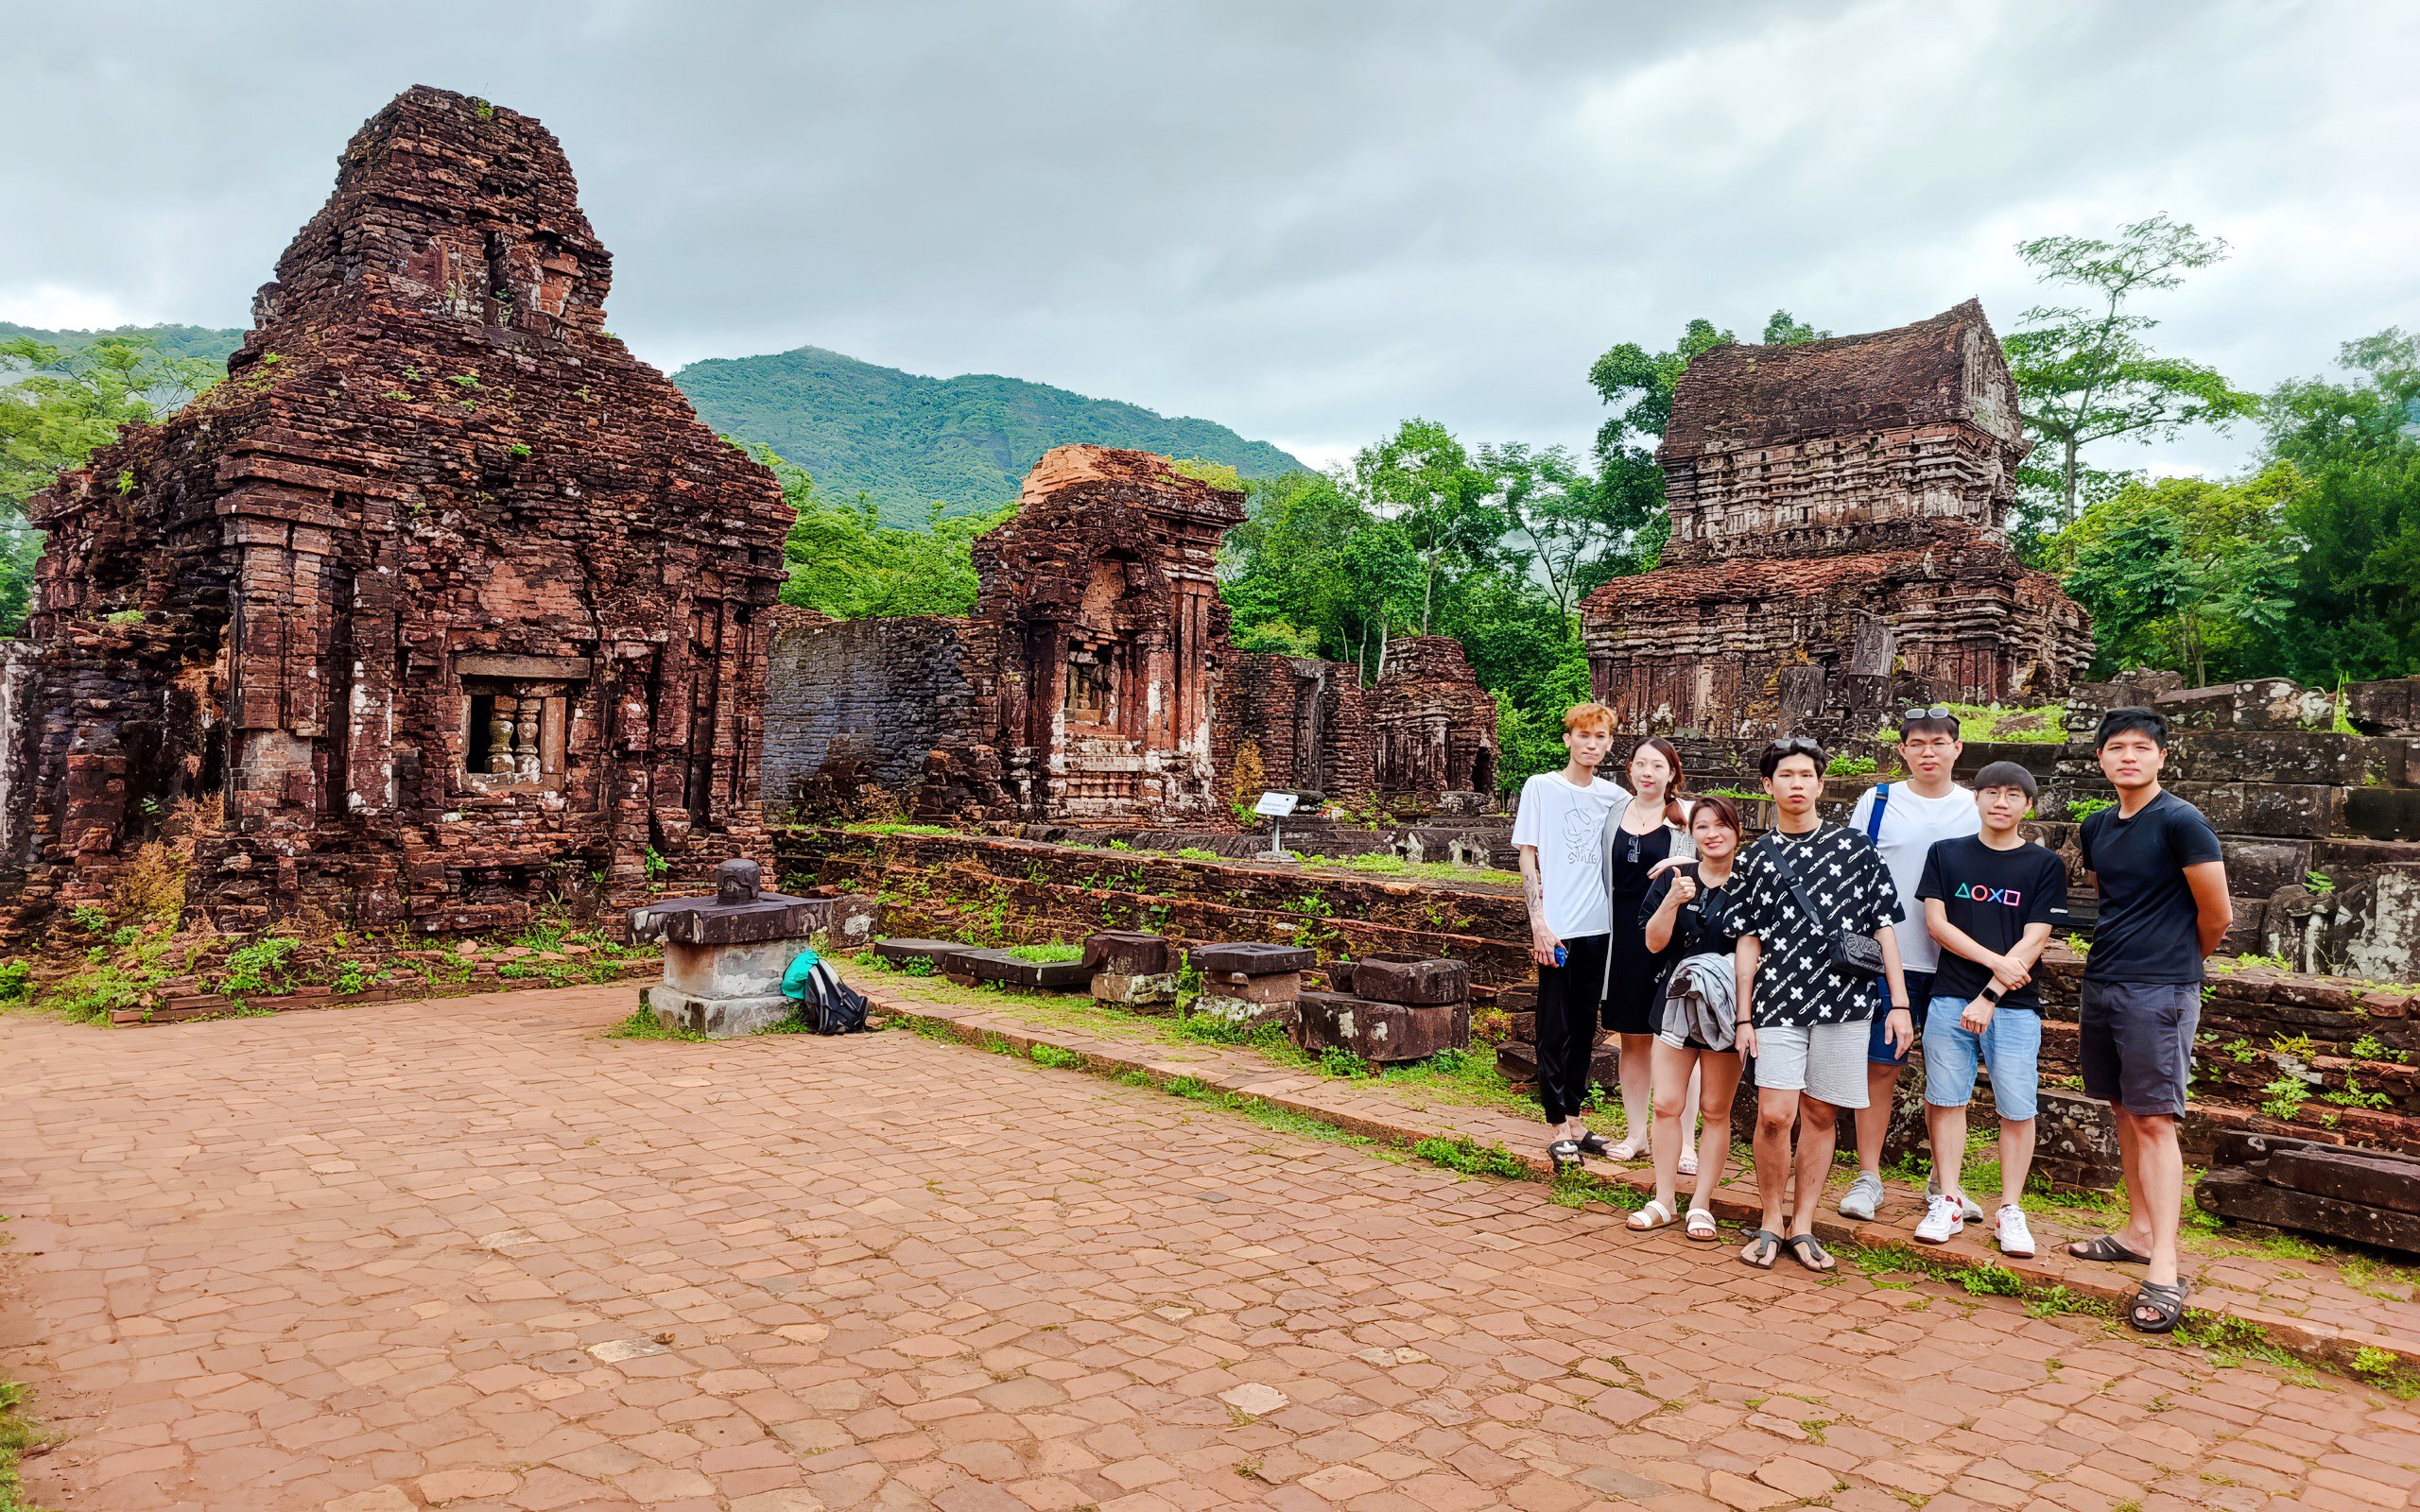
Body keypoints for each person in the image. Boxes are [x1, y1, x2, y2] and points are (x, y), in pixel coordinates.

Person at [2064, 708, 2230, 1333]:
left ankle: (2164, 1262)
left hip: (2159, 988)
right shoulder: (2098, 826)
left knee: (2156, 1117)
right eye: (2116, 748)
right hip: (2104, 981)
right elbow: (2112, 900)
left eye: (2140, 748)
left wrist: (2176, 963)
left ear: (2162, 757)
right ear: (2101, 760)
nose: (2128, 757)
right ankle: (2136, 1231)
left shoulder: (2182, 822)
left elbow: (2216, 915)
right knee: (2122, 1109)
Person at [1732, 736, 1910, 1273]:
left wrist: (1897, 1003)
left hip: (1846, 1000)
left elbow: (1883, 929)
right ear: (1768, 785)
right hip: (1778, 998)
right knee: (1774, 1115)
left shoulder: (1855, 848)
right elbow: (1747, 938)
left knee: (1821, 1112)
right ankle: (1768, 1219)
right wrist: (1744, 1013)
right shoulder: (1756, 857)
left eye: (1806, 775)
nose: (1797, 785)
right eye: (1786, 775)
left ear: (1820, 783)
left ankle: (1803, 1224)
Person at [1913, 761, 2067, 1256]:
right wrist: (1994, 964)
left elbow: (2037, 936)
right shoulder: (1946, 855)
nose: (2001, 802)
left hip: (2015, 1007)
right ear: (1975, 798)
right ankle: (1949, 1199)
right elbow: (1937, 924)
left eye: (2013, 795)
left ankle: (2010, 1210)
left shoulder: (2044, 865)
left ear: (2028, 805)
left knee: (2018, 1108)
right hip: (1949, 996)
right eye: (1992, 792)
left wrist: (1991, 993)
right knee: (1946, 1099)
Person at [1838, 706, 1979, 1225]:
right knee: (1880, 1066)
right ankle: (1868, 1176)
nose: (1928, 753)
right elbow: (1852, 875)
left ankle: (1947, 1183)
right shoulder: (1877, 802)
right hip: (1884, 959)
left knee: (1949, 1077)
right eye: (1917, 743)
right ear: (1902, 750)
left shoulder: (1976, 807)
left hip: (1957, 962)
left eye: (1939, 743)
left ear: (1957, 749)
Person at [1512, 703, 1631, 1170]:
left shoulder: (1613, 797)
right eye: (1584, 735)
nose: (1592, 744)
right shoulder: (1542, 787)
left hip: (1600, 928)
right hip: (1557, 931)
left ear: (1609, 744)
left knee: (1586, 1027)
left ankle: (1577, 1120)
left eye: (1601, 737)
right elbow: (1528, 857)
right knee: (1553, 1027)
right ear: (1568, 739)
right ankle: (1556, 1124)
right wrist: (1538, 922)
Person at [1626, 796, 1749, 1240]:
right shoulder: (1675, 879)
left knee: (1716, 1110)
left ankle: (1701, 1202)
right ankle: (1663, 1198)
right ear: (1691, 835)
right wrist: (1671, 903)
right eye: (1702, 827)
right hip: (1675, 1004)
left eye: (1721, 826)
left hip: (1728, 1010)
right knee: (1666, 1104)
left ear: (1737, 831)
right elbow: (1654, 944)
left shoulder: (1752, 885)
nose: (1712, 834)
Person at [1598, 738, 1694, 1164]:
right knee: (1633, 1039)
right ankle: (1637, 1133)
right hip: (1620, 938)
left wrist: (1681, 867)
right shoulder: (1614, 812)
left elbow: (1717, 863)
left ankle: (1686, 1141)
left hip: (1669, 937)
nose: (1648, 772)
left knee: (1675, 1040)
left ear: (1672, 772)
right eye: (1640, 764)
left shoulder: (1687, 816)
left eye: (1658, 765)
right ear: (1630, 770)